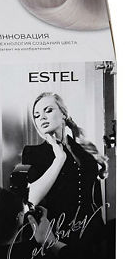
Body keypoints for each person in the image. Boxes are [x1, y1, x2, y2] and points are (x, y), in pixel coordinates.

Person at [22, 92, 109, 246]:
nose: (42, 117)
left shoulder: (84, 150)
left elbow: (96, 198)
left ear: (63, 114)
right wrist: (59, 159)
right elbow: (32, 199)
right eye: (37, 115)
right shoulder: (32, 153)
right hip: (57, 233)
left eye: (48, 110)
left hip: (93, 232)